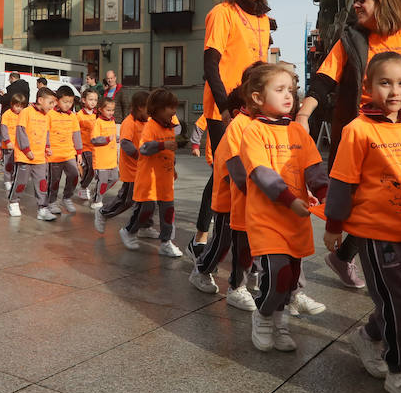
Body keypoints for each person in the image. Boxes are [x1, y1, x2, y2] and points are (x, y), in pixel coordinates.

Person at [299, 0, 401, 294]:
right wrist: (303, 114)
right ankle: (399, 289)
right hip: (365, 132)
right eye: (354, 0)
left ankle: (358, 264)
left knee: (396, 201)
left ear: (385, 2)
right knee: (370, 200)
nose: (356, 5)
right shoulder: (352, 39)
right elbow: (324, 80)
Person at [325, 52, 401, 393]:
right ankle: (397, 370)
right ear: (368, 87)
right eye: (385, 83)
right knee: (396, 304)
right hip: (373, 233)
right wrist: (334, 225)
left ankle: (367, 335)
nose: (394, 91)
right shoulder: (357, 130)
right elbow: (342, 183)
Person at [237, 64, 327, 352]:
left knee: (290, 278)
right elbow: (262, 174)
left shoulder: (299, 133)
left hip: (297, 221)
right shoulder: (253, 131)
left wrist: (326, 195)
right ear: (257, 98)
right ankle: (262, 317)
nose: (289, 96)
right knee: (277, 274)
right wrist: (290, 199)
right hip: (267, 221)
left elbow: (314, 169)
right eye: (280, 90)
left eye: (291, 90)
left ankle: (281, 321)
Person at [198, 0, 274, 239]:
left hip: (252, 109)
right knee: (224, 172)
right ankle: (202, 238)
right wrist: (225, 108)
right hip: (224, 109)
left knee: (249, 171)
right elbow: (210, 64)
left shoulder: (264, 20)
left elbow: (262, 68)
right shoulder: (222, 12)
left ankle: (239, 233)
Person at [189, 80, 256, 304]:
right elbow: (234, 170)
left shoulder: (260, 125)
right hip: (229, 202)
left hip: (250, 200)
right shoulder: (238, 127)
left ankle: (238, 285)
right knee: (222, 243)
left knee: (245, 244)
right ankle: (201, 269)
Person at [121, 88, 182, 255]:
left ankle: (166, 242)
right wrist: (162, 145)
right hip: (149, 178)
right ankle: (129, 231)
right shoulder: (150, 127)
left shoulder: (169, 127)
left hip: (165, 178)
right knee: (146, 209)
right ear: (159, 108)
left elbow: (169, 151)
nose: (174, 111)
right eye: (170, 107)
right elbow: (145, 149)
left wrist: (173, 167)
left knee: (168, 210)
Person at [94, 90, 149, 234]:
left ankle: (145, 226)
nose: (150, 112)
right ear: (139, 107)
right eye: (148, 108)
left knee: (147, 200)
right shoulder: (129, 122)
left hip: (145, 169)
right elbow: (126, 144)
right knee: (127, 200)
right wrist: (140, 156)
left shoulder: (148, 121)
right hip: (132, 170)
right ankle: (103, 213)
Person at [12, 86, 55, 219]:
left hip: (40, 157)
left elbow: (46, 133)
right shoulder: (26, 112)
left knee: (42, 183)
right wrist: (26, 150)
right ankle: (14, 202)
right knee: (21, 182)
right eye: (50, 103)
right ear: (40, 100)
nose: (53, 106)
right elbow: (21, 132)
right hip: (25, 156)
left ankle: (42, 209)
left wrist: (47, 146)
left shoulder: (47, 117)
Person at [46, 85, 84, 215]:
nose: (68, 105)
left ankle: (67, 197)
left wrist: (79, 152)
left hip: (69, 153)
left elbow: (77, 134)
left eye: (70, 102)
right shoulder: (50, 114)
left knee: (74, 175)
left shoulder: (72, 116)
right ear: (57, 100)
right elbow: (45, 132)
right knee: (54, 180)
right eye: (65, 101)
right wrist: (46, 146)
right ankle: (51, 202)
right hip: (54, 155)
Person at [87, 97, 120, 211]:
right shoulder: (98, 123)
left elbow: (112, 137)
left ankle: (97, 193)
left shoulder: (112, 121)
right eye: (108, 110)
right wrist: (106, 139)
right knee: (103, 182)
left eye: (112, 110)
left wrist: (116, 138)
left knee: (115, 178)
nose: (111, 112)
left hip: (111, 159)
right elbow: (94, 139)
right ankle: (97, 201)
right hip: (101, 160)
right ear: (100, 109)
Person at [75, 87, 100, 200]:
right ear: (84, 100)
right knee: (91, 168)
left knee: (92, 170)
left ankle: (84, 186)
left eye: (95, 100)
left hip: (95, 148)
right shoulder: (79, 115)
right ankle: (83, 187)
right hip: (84, 147)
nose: (93, 102)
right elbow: (74, 132)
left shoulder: (97, 115)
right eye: (90, 99)